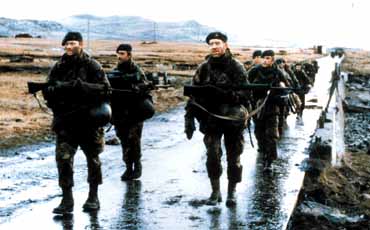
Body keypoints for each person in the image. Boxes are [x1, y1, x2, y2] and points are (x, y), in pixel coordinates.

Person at [42, 32, 111, 214]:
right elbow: (47, 90)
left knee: (93, 160)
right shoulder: (58, 66)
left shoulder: (92, 65)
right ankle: (67, 200)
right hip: (66, 121)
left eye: (72, 43)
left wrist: (83, 87)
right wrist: (57, 91)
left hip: (89, 122)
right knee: (63, 160)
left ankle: (93, 197)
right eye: (66, 44)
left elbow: (106, 89)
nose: (69, 47)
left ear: (80, 44)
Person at [184, 32, 249, 207]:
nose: (214, 46)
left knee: (234, 157)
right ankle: (215, 192)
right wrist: (188, 118)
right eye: (211, 43)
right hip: (211, 119)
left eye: (217, 43)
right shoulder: (204, 68)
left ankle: (232, 192)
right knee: (212, 156)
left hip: (232, 119)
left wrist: (227, 95)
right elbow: (192, 95)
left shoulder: (236, 67)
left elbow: (245, 93)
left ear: (225, 45)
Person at [108, 43, 154, 181]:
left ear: (129, 55)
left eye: (122, 53)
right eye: (118, 53)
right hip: (120, 112)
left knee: (133, 140)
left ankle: (137, 166)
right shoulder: (115, 71)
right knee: (123, 140)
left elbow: (146, 86)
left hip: (135, 112)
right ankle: (128, 167)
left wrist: (137, 88)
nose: (119, 56)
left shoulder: (137, 71)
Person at [248, 50, 290, 171]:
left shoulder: (278, 72)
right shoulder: (254, 71)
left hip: (272, 107)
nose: (264, 61)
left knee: (271, 135)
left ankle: (269, 161)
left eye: (267, 58)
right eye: (263, 58)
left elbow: (286, 87)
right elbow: (245, 85)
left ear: (272, 59)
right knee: (259, 133)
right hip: (257, 107)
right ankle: (263, 151)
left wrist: (279, 93)